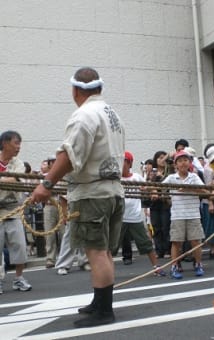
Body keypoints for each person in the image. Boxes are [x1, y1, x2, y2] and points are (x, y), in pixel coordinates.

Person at [30, 67, 125, 328]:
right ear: (99, 89)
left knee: (96, 252)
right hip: (114, 191)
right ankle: (100, 302)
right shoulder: (112, 114)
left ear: (75, 90)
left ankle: (104, 311)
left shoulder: (84, 115)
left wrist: (46, 184)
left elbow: (69, 155)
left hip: (93, 192)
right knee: (103, 252)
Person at [115, 151, 166, 276]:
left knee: (146, 244)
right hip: (119, 218)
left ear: (130, 163)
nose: (122, 165)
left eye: (125, 162)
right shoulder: (115, 179)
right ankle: (105, 272)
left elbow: (147, 187)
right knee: (112, 247)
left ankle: (156, 267)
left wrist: (153, 192)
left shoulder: (136, 177)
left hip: (135, 217)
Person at [162, 151, 206, 279]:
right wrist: (150, 190)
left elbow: (205, 190)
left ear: (190, 163)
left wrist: (189, 188)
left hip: (194, 214)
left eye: (186, 160)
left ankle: (198, 264)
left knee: (196, 241)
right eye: (180, 161)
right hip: (177, 215)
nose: (183, 163)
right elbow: (159, 188)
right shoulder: (171, 178)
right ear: (175, 164)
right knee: (176, 242)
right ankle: (174, 266)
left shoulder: (194, 177)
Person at [0, 130, 32, 294]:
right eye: (15, 143)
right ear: (5, 143)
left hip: (13, 209)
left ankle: (19, 278)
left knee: (19, 244)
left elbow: (16, 177)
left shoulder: (17, 163)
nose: (19, 147)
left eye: (20, 143)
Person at [55, 196, 90, 275]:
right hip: (73, 206)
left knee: (85, 234)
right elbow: (62, 196)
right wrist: (64, 214)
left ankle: (85, 261)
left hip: (88, 205)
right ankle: (63, 265)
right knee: (70, 235)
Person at [149, 150, 172, 259]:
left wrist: (161, 176)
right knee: (156, 228)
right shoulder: (152, 172)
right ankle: (159, 251)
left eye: (163, 158)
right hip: (154, 204)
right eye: (159, 158)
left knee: (166, 227)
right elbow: (148, 184)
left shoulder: (169, 172)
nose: (162, 160)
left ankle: (168, 250)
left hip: (165, 202)